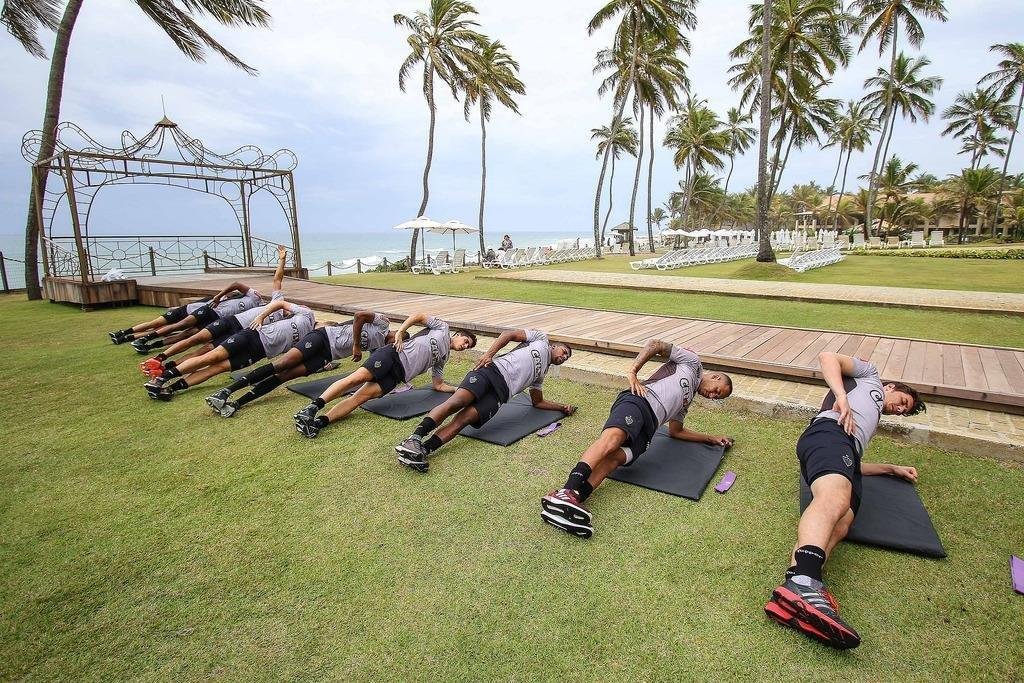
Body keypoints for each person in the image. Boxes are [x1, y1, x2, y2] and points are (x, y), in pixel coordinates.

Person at [764, 351, 925, 650]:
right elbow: (826, 357)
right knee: (835, 499)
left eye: (904, 412)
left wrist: (891, 468)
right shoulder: (871, 377)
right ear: (891, 386)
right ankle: (804, 580)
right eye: (903, 402)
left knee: (843, 521)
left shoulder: (870, 419)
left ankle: (794, 597)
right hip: (829, 433)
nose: (900, 410)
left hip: (845, 448)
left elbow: (851, 464)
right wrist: (841, 397)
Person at [540, 340, 734, 539]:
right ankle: (567, 490)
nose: (712, 396)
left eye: (716, 398)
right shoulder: (693, 363)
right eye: (716, 391)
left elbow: (676, 431)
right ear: (716, 377)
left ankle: (573, 500)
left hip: (648, 429)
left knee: (614, 460)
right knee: (612, 440)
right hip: (639, 401)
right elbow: (656, 345)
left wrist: (711, 438)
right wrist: (633, 372)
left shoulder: (687, 399)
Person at [394, 328, 575, 472]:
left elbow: (537, 402)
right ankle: (414, 438)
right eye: (564, 351)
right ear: (554, 346)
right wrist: (489, 354)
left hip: (500, 395)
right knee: (456, 402)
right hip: (491, 372)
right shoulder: (540, 339)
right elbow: (509, 334)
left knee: (462, 421)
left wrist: (562, 407)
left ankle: (423, 450)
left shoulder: (541, 373)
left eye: (566, 358)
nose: (564, 357)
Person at [293, 313, 478, 437]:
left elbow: (438, 384)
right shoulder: (442, 328)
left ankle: (319, 423)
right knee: (355, 379)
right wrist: (401, 332)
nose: (465, 345)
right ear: (458, 334)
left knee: (359, 398)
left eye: (468, 346)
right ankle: (311, 408)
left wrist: (459, 389)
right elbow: (418, 316)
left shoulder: (444, 357)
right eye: (466, 341)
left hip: (398, 376)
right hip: (393, 356)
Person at [205, 310, 396, 417]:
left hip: (328, 355)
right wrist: (355, 345)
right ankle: (225, 392)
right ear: (397, 332)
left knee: (285, 376)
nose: (394, 342)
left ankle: (237, 403)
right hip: (323, 337)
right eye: (397, 338)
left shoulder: (381, 348)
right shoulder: (383, 324)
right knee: (283, 363)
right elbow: (359, 315)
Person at [139, 247, 289, 377]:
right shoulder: (275, 301)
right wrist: (282, 260)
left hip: (239, 333)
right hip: (230, 321)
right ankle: (159, 358)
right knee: (194, 339)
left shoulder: (287, 323)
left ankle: (167, 368)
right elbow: (277, 280)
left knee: (206, 351)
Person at [143, 299, 316, 400]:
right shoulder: (307, 314)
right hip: (252, 336)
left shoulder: (311, 336)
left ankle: (171, 389)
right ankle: (161, 379)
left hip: (259, 353)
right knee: (211, 357)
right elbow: (280, 302)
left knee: (217, 368)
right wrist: (262, 316)